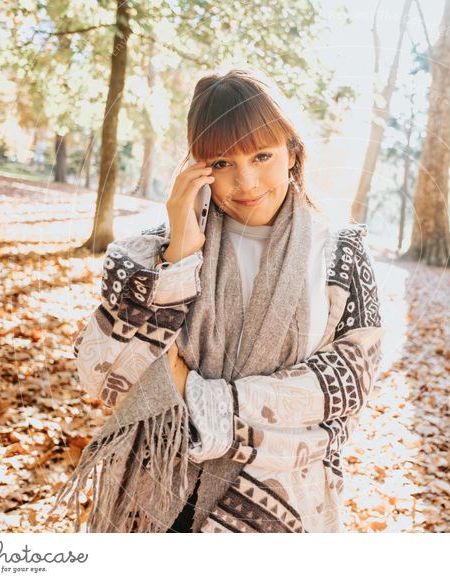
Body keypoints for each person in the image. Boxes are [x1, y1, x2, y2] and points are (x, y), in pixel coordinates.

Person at [66, 68, 385, 533]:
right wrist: (179, 255)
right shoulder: (153, 250)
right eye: (221, 163)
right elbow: (102, 373)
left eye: (262, 155)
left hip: (278, 510)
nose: (247, 182)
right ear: (196, 167)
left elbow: (346, 387)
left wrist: (197, 395)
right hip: (153, 502)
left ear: (293, 152)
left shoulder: (341, 253)